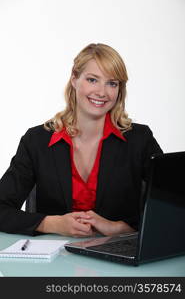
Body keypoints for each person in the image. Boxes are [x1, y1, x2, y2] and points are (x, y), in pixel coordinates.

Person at [0, 43, 162, 237]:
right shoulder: (36, 141)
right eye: (93, 80)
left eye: (112, 83)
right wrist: (51, 224)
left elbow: (171, 207)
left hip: (117, 259)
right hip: (55, 261)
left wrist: (119, 228)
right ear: (74, 79)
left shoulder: (140, 140)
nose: (102, 92)